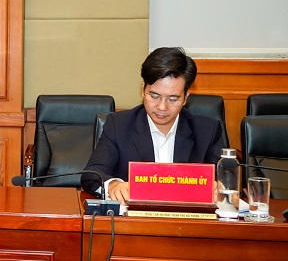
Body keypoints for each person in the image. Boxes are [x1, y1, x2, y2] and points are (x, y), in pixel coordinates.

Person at [81, 47, 226, 203]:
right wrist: (113, 185)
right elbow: (92, 175)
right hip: (135, 217)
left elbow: (226, 180)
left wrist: (221, 189)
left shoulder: (207, 131)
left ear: (185, 98)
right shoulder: (119, 125)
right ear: (143, 90)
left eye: (172, 99)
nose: (162, 107)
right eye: (154, 96)